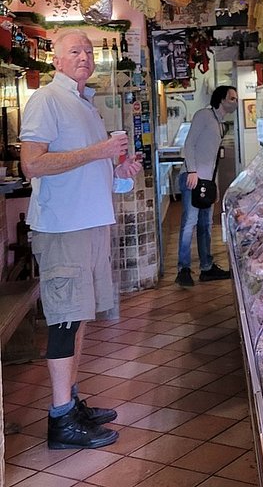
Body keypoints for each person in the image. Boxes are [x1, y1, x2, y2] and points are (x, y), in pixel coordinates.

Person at [20, 30, 143, 449]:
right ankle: (60, 421)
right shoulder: (46, 100)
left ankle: (70, 403)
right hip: (62, 229)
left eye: (89, 51)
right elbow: (32, 164)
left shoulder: (86, 104)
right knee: (64, 321)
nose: (85, 57)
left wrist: (119, 173)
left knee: (80, 317)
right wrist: (98, 152)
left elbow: (92, 169)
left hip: (90, 225)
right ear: (56, 60)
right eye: (75, 50)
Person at [176, 85, 238, 287]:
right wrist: (192, 171)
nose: (235, 102)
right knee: (189, 223)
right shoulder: (204, 115)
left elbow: (213, 160)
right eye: (232, 98)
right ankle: (183, 269)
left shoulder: (221, 124)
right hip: (193, 178)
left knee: (206, 225)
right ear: (221, 99)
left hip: (207, 181)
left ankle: (206, 267)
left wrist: (215, 185)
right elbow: (189, 144)